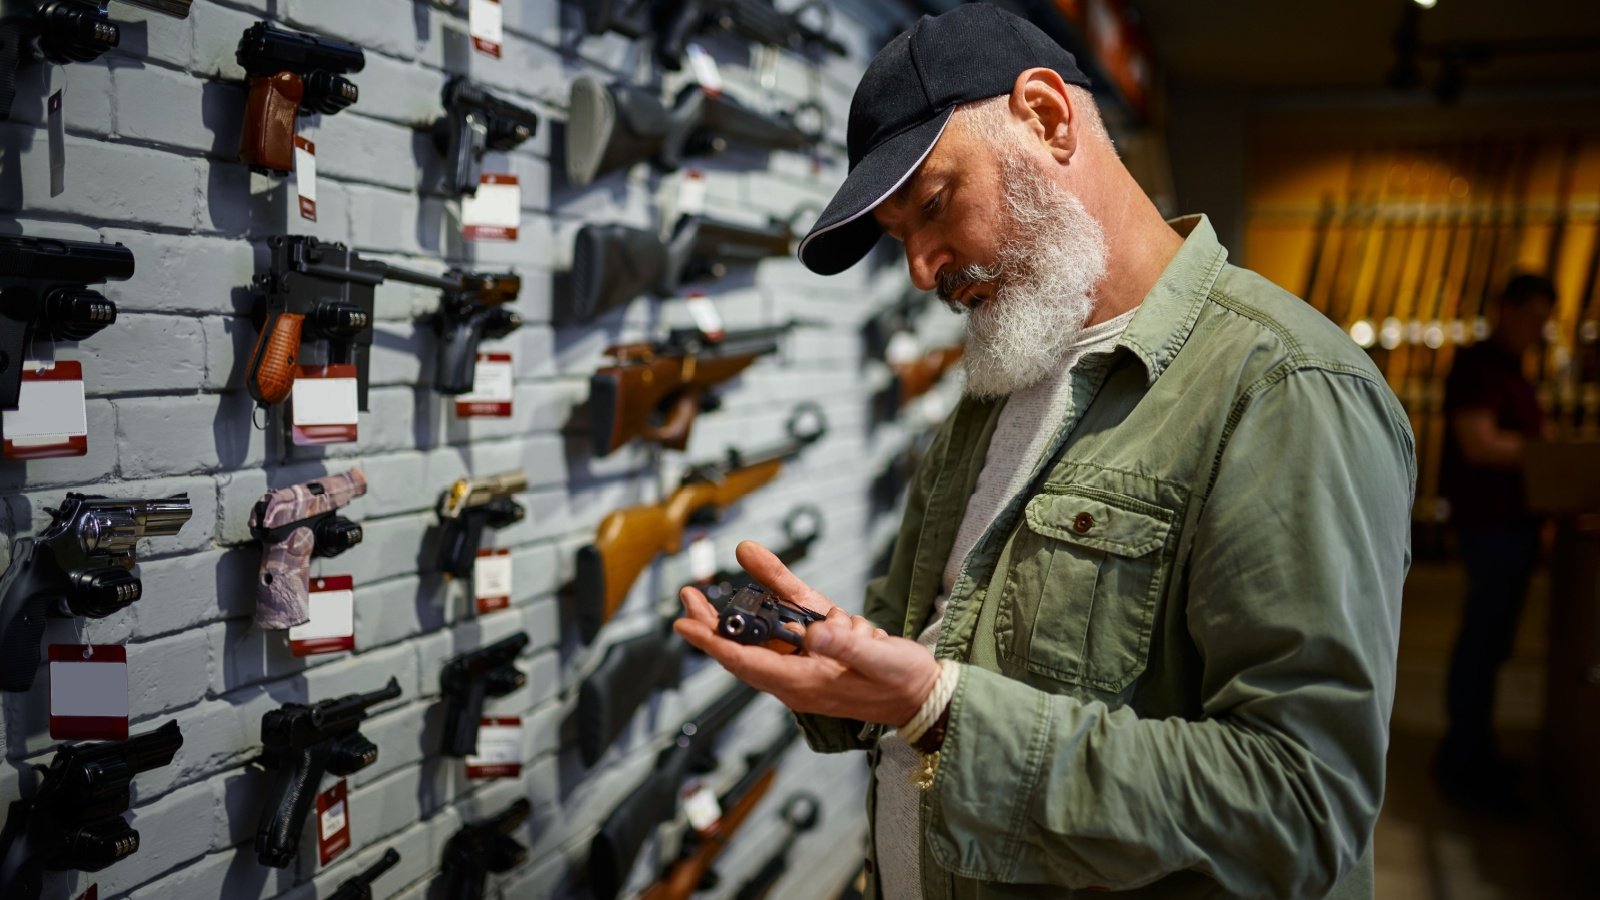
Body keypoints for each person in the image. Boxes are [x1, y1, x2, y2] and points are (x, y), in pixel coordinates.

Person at [673, 5, 1416, 898]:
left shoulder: (1284, 387)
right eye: (902, 238)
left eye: (935, 206)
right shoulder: (1000, 387)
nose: (921, 270)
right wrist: (840, 673)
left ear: (1050, 118)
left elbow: (1301, 805)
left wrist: (940, 711)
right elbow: (929, 646)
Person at [1434, 272, 1555, 814]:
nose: (1538, 327)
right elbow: (1479, 444)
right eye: (1532, 314)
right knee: (1482, 644)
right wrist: (1546, 455)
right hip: (1491, 526)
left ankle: (1475, 749)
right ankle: (1465, 755)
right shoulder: (1481, 365)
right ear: (1508, 310)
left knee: (1492, 643)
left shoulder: (1511, 369)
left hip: (1512, 526)